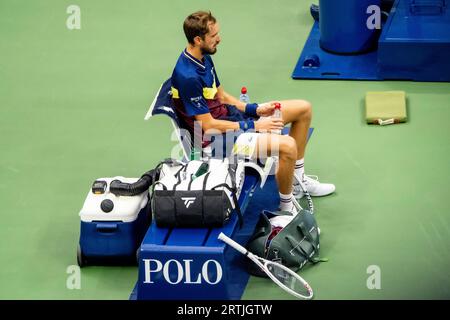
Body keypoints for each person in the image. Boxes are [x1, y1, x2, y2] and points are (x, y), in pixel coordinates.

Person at [170, 11, 335, 214]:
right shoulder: (188, 76)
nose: (219, 39)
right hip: (215, 143)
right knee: (288, 146)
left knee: (303, 109)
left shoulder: (203, 57)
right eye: (214, 36)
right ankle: (286, 207)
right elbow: (208, 126)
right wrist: (255, 125)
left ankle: (297, 181)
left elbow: (221, 97)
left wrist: (254, 109)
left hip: (231, 120)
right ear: (198, 39)